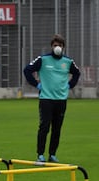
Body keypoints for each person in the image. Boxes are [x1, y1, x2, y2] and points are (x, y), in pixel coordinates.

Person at [23, 34, 80, 163]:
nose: (57, 47)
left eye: (60, 45)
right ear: (51, 46)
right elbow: (27, 70)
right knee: (44, 127)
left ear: (63, 47)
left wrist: (70, 85)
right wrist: (36, 84)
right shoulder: (43, 59)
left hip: (61, 100)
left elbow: (77, 73)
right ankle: (40, 155)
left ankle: (52, 154)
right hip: (46, 99)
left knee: (57, 128)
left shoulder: (68, 62)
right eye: (55, 45)